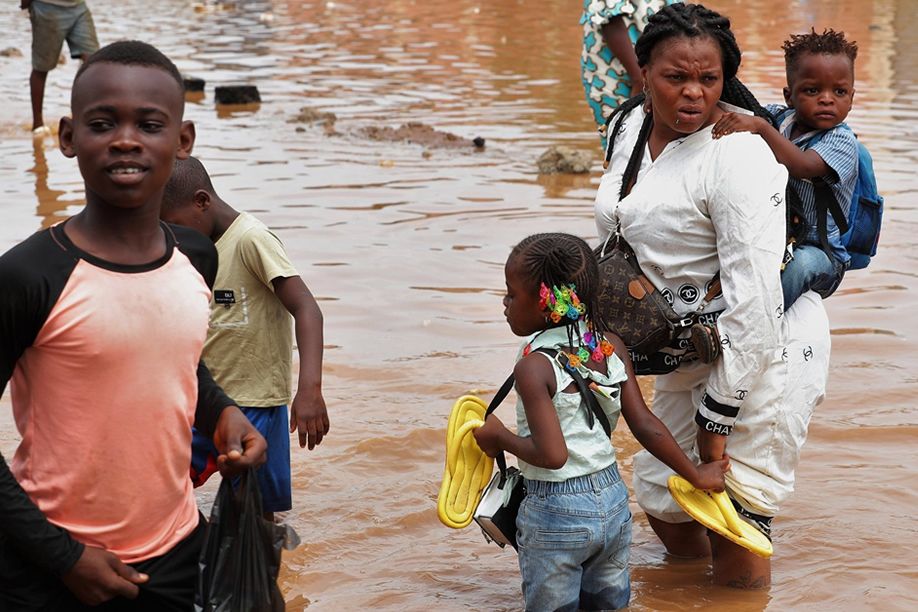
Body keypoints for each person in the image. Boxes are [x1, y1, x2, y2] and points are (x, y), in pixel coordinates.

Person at [0, 40, 267, 611]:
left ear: (182, 139)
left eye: (150, 124)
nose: (126, 139)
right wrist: (62, 557)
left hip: (176, 553)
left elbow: (175, 358)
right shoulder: (28, 275)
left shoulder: (196, 256)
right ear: (69, 138)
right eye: (103, 123)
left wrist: (222, 411)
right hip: (46, 564)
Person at [594, 3, 830, 589]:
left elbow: (755, 306)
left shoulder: (738, 155)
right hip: (685, 344)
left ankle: (737, 591)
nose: (693, 94)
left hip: (766, 348)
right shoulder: (626, 128)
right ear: (642, 70)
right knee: (663, 496)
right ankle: (688, 594)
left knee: (738, 516)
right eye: (677, 77)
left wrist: (717, 422)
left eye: (709, 79)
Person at [472, 232, 728, 611]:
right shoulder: (609, 347)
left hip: (556, 511)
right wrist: (696, 473)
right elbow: (645, 425)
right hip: (611, 499)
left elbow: (553, 455)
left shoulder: (533, 367)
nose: (504, 303)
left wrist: (499, 436)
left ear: (547, 305)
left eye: (511, 293)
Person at [160, 156, 329, 522]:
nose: (172, 237)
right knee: (159, 485)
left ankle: (260, 577)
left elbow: (307, 309)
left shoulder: (251, 240)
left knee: (256, 517)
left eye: (173, 225)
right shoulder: (194, 250)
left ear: (202, 201)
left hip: (258, 405)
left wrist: (309, 389)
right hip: (206, 404)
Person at [712, 28, 859, 309]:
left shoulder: (842, 140)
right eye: (812, 90)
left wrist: (761, 128)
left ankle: (762, 319)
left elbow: (803, 166)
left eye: (839, 92)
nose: (827, 99)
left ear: (851, 98)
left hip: (821, 252)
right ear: (789, 96)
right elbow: (735, 109)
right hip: (774, 237)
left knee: (801, 265)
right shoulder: (780, 118)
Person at [580, 0, 682, 147]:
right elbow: (609, 20)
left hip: (662, 68)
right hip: (615, 72)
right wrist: (639, 79)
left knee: (665, 140)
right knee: (621, 142)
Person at [21, 0, 100, 135]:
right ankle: (38, 124)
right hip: (47, 7)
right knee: (42, 66)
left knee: (94, 63)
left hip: (78, 6)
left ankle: (85, 118)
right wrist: (26, 4)